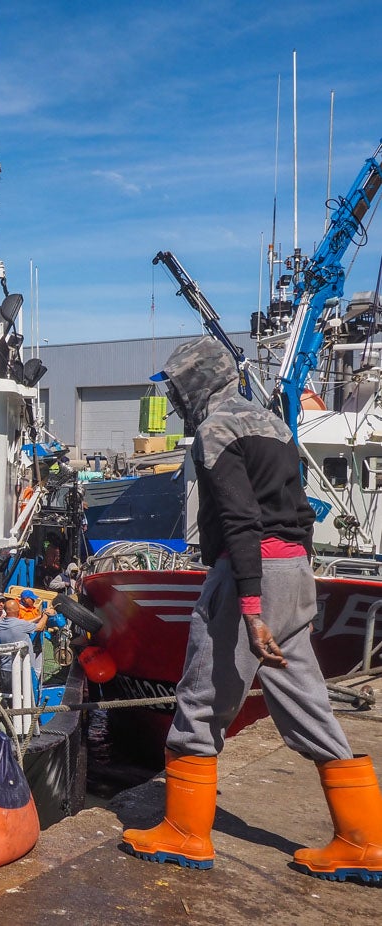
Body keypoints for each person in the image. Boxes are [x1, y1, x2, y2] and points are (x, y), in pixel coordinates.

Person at [121, 337, 381, 882]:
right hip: (295, 572)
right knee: (308, 701)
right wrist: (295, 582)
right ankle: (364, 841)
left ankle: (186, 834)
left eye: (174, 386)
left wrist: (249, 603)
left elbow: (238, 519)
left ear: (194, 383)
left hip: (249, 577)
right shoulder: (273, 423)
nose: (172, 398)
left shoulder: (216, 430)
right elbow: (301, 512)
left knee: (202, 697)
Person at [0, 592, 48, 691]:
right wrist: (46, 615)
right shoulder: (21, 624)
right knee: (26, 697)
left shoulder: (0, 624)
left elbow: (22, 624)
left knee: (9, 698)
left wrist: (38, 617)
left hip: (6, 669)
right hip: (22, 669)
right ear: (18, 611)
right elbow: (40, 627)